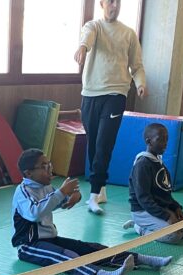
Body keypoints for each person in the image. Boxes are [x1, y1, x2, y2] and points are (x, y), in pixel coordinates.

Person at [12, 148, 171, 275]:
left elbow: (56, 202)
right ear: (28, 173)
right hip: (28, 245)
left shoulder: (45, 186)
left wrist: (73, 197)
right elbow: (34, 213)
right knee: (67, 256)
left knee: (90, 248)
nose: (49, 168)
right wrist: (62, 192)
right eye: (43, 166)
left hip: (50, 239)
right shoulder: (23, 192)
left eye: (49, 164)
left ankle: (144, 260)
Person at [74, 0, 147, 215]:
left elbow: (137, 66)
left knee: (104, 143)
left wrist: (140, 84)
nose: (114, 6)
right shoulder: (93, 26)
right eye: (110, 2)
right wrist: (82, 48)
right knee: (93, 143)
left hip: (116, 94)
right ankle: (101, 188)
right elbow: (86, 38)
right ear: (102, 4)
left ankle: (94, 194)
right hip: (90, 93)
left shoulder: (129, 33)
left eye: (118, 2)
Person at [122, 123, 183, 243]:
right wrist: (167, 216)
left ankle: (154, 226)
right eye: (160, 140)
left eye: (166, 139)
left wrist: (176, 208)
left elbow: (165, 195)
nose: (165, 143)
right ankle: (139, 227)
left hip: (160, 209)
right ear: (149, 141)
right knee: (174, 236)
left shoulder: (159, 164)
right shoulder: (142, 165)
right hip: (143, 211)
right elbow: (144, 199)